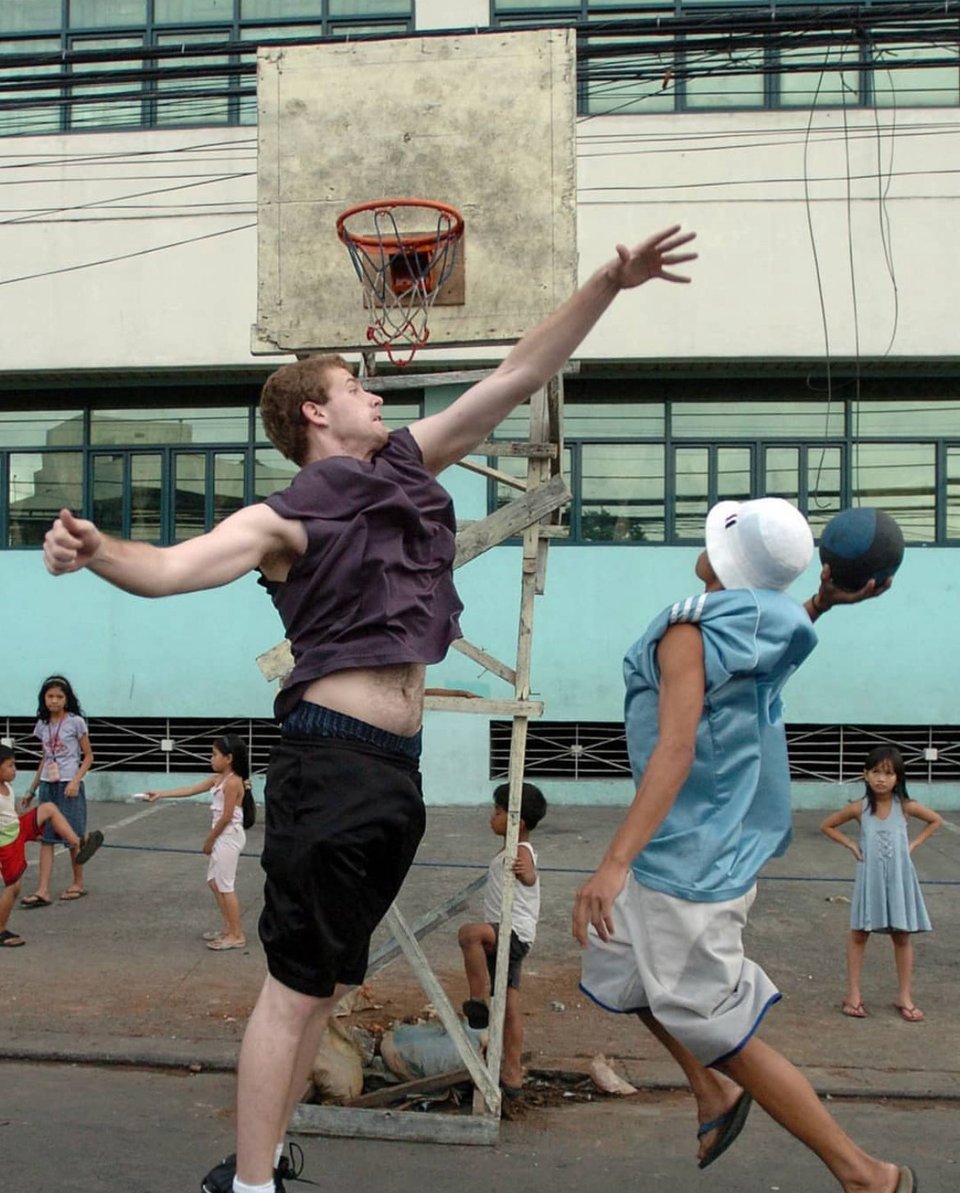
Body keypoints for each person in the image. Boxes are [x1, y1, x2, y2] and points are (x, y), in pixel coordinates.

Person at [40, 225, 698, 1193]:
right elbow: (172, 568)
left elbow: (517, 376)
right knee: (294, 983)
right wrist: (96, 550)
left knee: (326, 985)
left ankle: (263, 1161)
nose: (375, 391)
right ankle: (250, 1182)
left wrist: (609, 282)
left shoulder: (406, 466)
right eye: (357, 383)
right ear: (317, 408)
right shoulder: (282, 517)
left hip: (394, 773)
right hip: (330, 761)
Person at [573, 497, 917, 1193]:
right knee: (616, 959)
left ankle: (864, 1173)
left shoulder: (688, 632)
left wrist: (612, 862)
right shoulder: (780, 620)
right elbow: (778, 630)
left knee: (723, 1028)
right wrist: (827, 596)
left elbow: (673, 751)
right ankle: (711, 1089)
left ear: (725, 562)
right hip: (702, 841)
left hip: (686, 861)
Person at [820, 745, 941, 1023]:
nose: (881, 779)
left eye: (888, 773)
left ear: (898, 778)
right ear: (865, 774)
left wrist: (913, 845)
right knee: (860, 933)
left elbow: (935, 820)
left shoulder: (906, 807)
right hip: (869, 877)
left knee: (902, 935)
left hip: (899, 878)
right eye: (875, 772)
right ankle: (852, 994)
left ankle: (904, 996)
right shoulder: (859, 809)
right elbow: (827, 825)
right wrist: (851, 844)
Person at [458, 780, 547, 1095]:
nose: (491, 816)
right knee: (510, 1005)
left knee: (469, 935)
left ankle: (479, 999)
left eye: (497, 811)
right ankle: (511, 1076)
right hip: (508, 932)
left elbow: (531, 874)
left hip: (513, 932)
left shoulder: (521, 849)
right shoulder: (508, 849)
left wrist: (527, 873)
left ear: (516, 821)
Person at [146, 735, 251, 951]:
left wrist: (209, 840)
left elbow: (227, 817)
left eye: (215, 754)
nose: (211, 758)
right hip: (221, 835)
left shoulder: (232, 782)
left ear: (229, 758)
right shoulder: (218, 779)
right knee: (214, 883)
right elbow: (190, 789)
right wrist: (161, 794)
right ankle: (228, 927)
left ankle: (236, 934)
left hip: (228, 836)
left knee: (225, 885)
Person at [0, 745, 103, 946]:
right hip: (6, 841)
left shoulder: (7, 787)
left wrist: (31, 833)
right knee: (13, 888)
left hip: (16, 829)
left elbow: (10, 815)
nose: (15, 769)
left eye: (15, 765)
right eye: (10, 765)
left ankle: (77, 843)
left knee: (48, 808)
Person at [20, 674, 95, 907]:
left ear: (67, 699)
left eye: (59, 696)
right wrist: (32, 789)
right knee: (47, 838)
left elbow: (89, 756)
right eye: (50, 696)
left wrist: (74, 781)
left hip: (68, 785)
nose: (54, 701)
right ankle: (43, 890)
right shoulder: (42, 725)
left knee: (72, 834)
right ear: (43, 699)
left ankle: (78, 883)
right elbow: (44, 757)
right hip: (48, 785)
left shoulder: (75, 722)